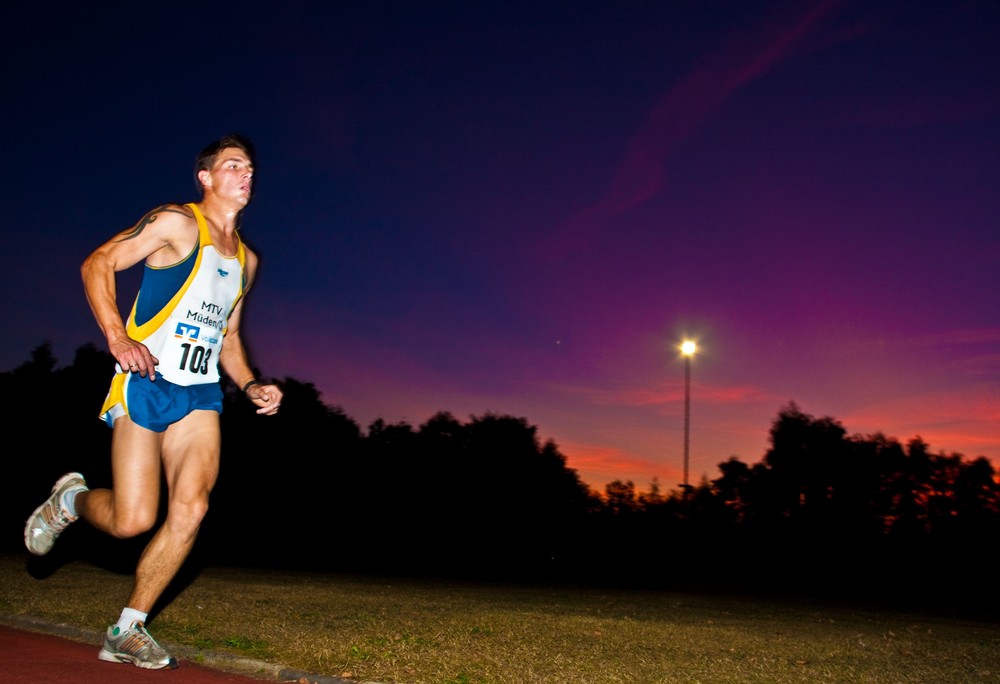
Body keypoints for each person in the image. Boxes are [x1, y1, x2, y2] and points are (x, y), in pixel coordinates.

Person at [23, 134, 283, 670]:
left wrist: (252, 383)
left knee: (192, 507)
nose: (246, 174)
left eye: (251, 168)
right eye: (234, 165)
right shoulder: (176, 223)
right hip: (144, 382)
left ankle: (128, 628)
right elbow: (98, 263)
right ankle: (69, 501)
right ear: (206, 178)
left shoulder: (247, 262)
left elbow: (227, 337)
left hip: (200, 395)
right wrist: (119, 338)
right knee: (131, 521)